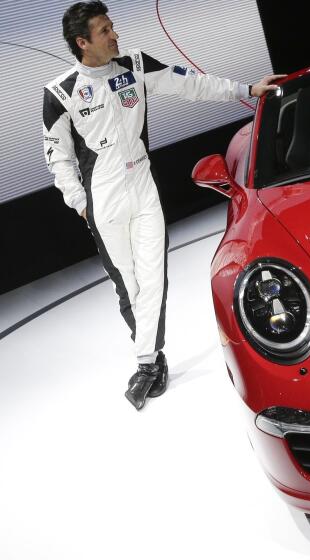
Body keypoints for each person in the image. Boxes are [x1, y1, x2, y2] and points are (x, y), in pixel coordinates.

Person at [42, 1, 283, 410]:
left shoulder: (135, 65)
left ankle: (146, 363)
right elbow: (56, 154)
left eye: (112, 26)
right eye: (104, 31)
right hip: (103, 197)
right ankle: (152, 354)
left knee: (154, 278)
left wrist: (245, 90)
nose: (115, 34)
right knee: (128, 285)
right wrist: (81, 202)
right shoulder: (60, 92)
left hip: (142, 184)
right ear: (82, 43)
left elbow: (191, 84)